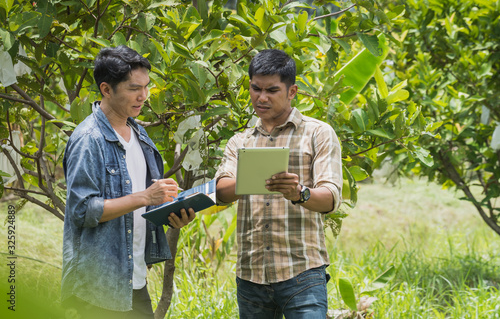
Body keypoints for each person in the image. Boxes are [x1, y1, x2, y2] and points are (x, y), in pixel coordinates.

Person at [61, 45, 195, 318]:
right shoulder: (89, 139)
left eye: (146, 87)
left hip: (132, 278)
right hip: (96, 287)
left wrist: (170, 212)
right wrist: (146, 196)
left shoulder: (138, 133)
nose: (143, 96)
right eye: (134, 88)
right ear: (106, 89)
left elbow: (140, 205)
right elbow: (82, 210)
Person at [215, 49, 342, 318]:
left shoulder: (317, 133)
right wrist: (249, 180)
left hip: (302, 272)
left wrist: (299, 193)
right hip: (251, 276)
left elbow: (330, 198)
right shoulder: (240, 141)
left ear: (292, 91)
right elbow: (220, 191)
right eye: (255, 89)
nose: (261, 98)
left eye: (272, 90)